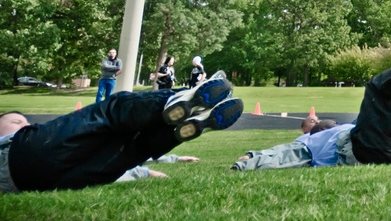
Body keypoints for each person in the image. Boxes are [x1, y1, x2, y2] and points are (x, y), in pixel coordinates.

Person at [232, 29, 391, 171]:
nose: (317, 120)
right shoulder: (308, 142)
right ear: (309, 131)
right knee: (377, 88)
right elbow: (284, 154)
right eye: (313, 122)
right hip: (363, 151)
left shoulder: (349, 127)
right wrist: (250, 159)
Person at [0, 74, 242, 193]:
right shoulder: (22, 141)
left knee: (132, 148)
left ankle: (186, 124)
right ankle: (182, 97)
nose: (25, 124)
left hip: (51, 184)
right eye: (16, 121)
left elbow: (129, 169)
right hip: (20, 156)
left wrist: (147, 171)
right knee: (111, 112)